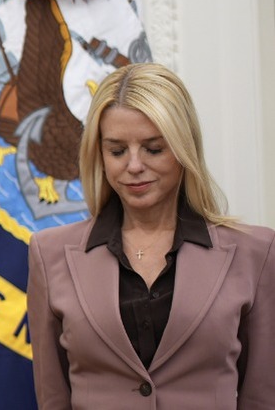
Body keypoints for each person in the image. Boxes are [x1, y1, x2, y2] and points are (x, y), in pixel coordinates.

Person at [27, 62, 275, 409]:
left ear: (183, 147)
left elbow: (262, 396)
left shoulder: (256, 252)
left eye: (153, 148)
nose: (133, 165)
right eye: (116, 150)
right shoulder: (49, 253)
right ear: (99, 155)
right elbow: (52, 397)